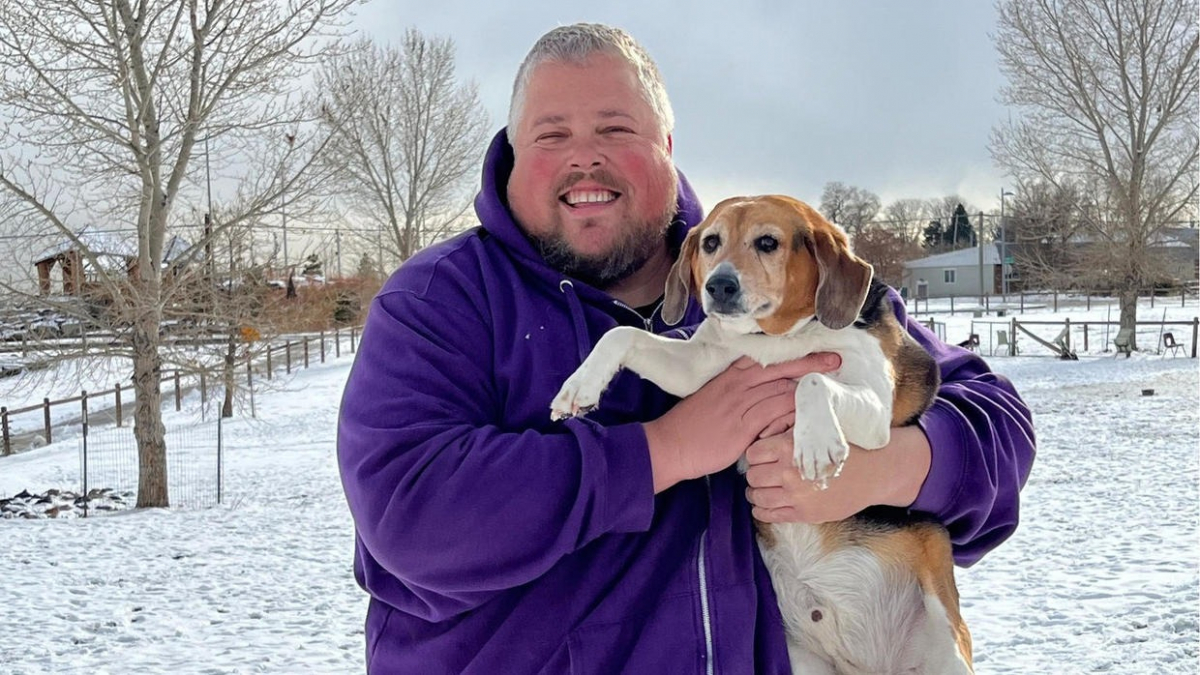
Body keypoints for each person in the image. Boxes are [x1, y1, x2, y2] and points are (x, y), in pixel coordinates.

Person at [337, 23, 1034, 674]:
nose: (586, 155)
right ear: (514, 153)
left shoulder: (781, 278)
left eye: (616, 127)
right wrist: (663, 450)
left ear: (667, 146)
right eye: (552, 134)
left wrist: (891, 467)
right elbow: (412, 511)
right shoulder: (437, 301)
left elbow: (995, 422)